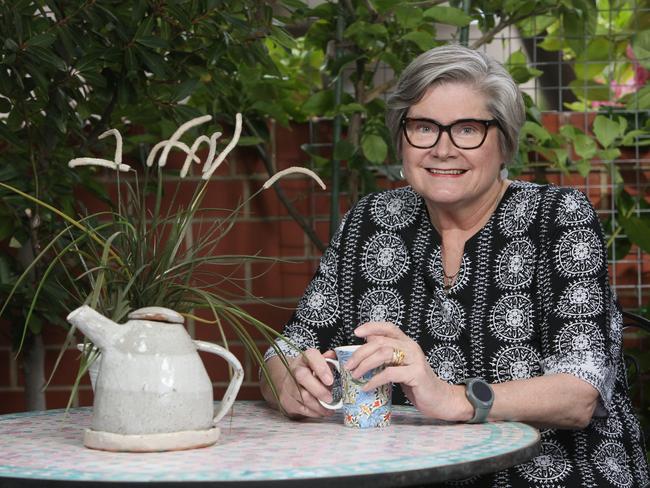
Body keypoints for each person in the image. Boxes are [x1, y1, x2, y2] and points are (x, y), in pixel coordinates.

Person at [260, 44, 649, 487]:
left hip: (549, 472)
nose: (443, 149)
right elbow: (287, 348)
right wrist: (285, 382)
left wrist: (453, 398)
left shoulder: (558, 217)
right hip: (404, 471)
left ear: (504, 142)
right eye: (424, 128)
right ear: (402, 139)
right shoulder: (369, 221)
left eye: (467, 129)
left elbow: (579, 393)